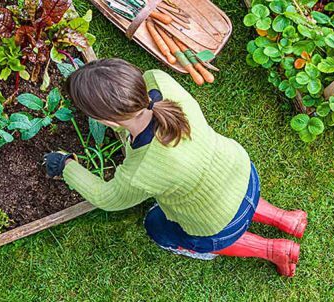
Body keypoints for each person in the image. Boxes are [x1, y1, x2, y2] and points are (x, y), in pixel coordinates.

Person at [43, 59, 308, 276]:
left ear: (107, 122)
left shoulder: (141, 171)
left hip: (218, 223)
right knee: (228, 196)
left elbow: (107, 198)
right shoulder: (160, 81)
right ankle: (286, 219)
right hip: (243, 173)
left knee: (156, 227)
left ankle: (273, 250)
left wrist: (65, 165)